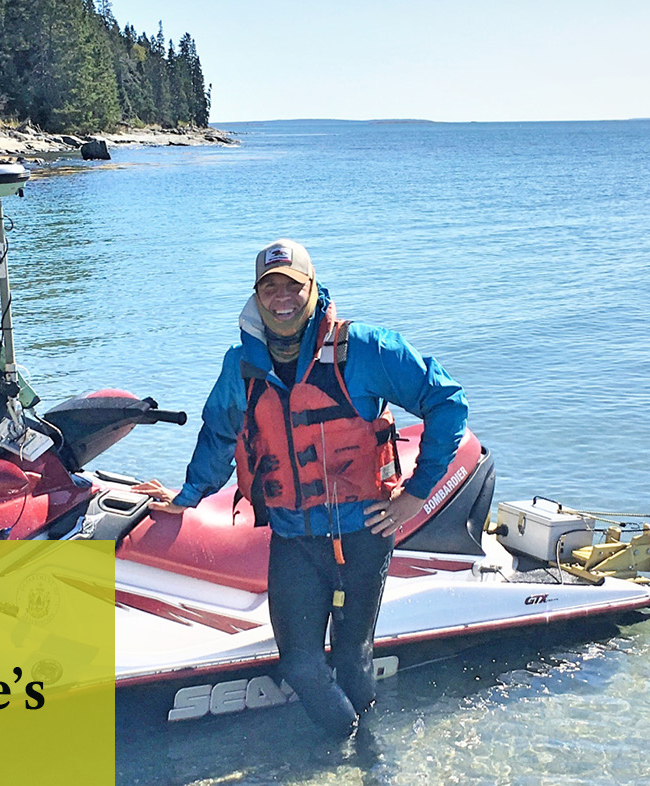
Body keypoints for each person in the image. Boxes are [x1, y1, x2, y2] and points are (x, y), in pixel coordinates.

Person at [134, 239, 467, 739]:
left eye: (294, 285)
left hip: (363, 535)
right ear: (256, 295)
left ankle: (365, 764)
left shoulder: (366, 349)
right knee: (300, 665)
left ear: (313, 288)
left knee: (353, 659)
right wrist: (187, 496)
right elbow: (220, 433)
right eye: (271, 287)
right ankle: (345, 743)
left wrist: (417, 494)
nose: (282, 298)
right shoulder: (241, 364)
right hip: (293, 539)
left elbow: (446, 403)